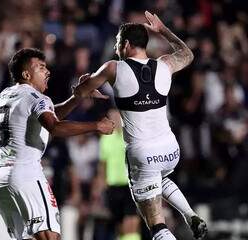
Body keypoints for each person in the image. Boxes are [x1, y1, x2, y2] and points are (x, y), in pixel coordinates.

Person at [74, 11, 208, 240]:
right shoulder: (165, 65)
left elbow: (80, 93)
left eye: (117, 43)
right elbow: (187, 54)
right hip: (170, 150)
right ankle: (190, 215)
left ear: (125, 44)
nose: (116, 49)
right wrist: (163, 30)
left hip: (143, 154)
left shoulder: (113, 68)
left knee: (156, 224)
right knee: (161, 178)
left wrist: (84, 85)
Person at [0, 48, 115, 240]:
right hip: (26, 175)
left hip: (0, 180)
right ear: (26, 74)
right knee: (51, 237)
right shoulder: (37, 98)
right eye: (40, 67)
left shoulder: (5, 95)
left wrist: (77, 97)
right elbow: (54, 126)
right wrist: (97, 125)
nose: (47, 71)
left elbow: (46, 115)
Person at [94, 108, 141, 240]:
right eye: (112, 118)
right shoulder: (104, 140)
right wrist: (101, 182)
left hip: (129, 185)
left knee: (131, 222)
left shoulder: (130, 136)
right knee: (119, 224)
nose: (115, 121)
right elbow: (102, 164)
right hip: (113, 186)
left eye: (117, 117)